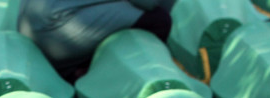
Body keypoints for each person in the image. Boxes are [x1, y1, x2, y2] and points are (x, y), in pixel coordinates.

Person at [18, 0, 176, 81]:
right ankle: (91, 73)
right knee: (160, 20)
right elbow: (148, 3)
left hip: (28, 28)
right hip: (56, 31)